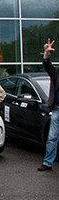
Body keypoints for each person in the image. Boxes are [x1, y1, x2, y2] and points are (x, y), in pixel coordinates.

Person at [40, 39, 59, 171]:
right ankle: (47, 163)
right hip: (57, 110)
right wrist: (46, 54)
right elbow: (47, 65)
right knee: (52, 138)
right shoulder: (56, 72)